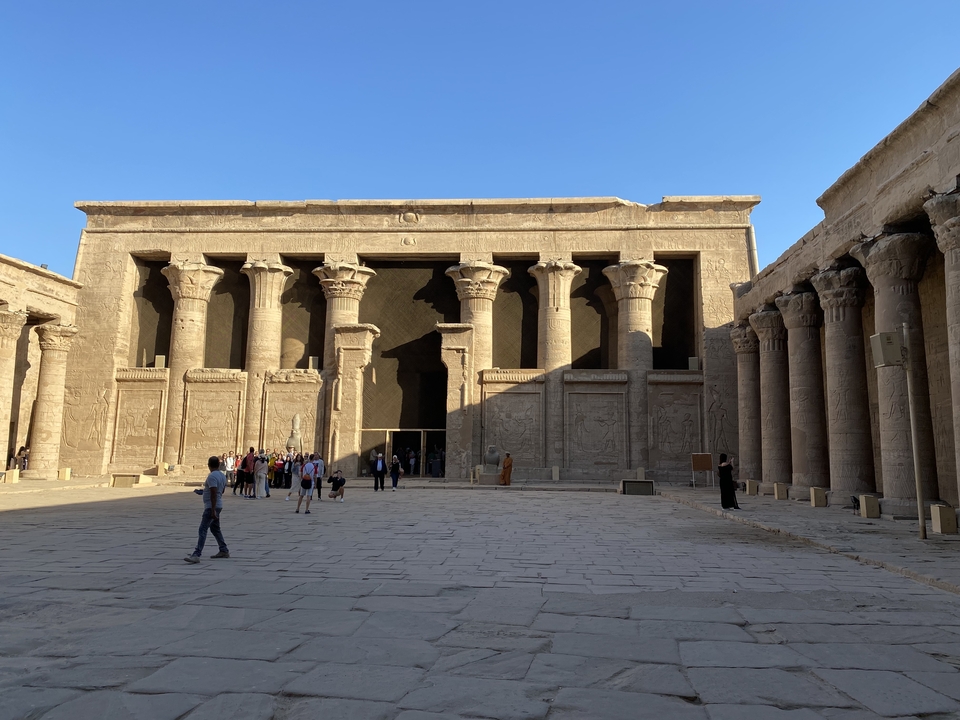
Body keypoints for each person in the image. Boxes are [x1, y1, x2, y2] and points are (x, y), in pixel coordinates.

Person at [184, 455, 230, 563]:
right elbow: (220, 491)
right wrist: (204, 492)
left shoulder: (211, 476)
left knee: (203, 529)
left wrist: (213, 510)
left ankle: (196, 554)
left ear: (208, 465)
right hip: (218, 505)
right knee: (215, 529)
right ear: (218, 465)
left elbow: (214, 493)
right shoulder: (222, 476)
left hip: (211, 507)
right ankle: (223, 550)